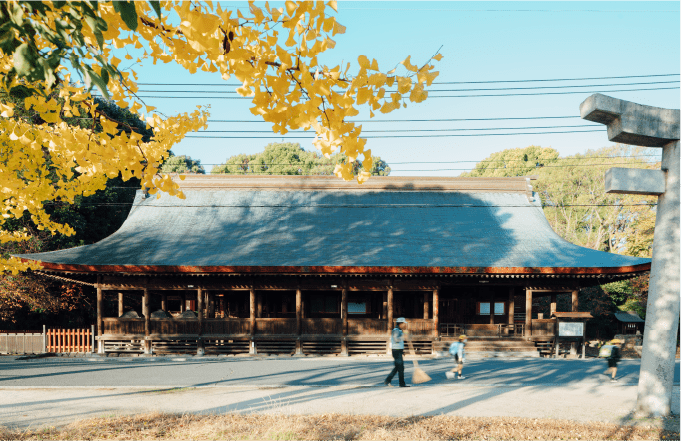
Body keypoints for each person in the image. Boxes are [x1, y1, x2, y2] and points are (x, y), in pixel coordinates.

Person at [384, 317, 409, 387]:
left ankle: (388, 380)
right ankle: (401, 383)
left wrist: (402, 351)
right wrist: (403, 336)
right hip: (396, 351)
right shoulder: (396, 330)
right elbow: (396, 339)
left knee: (398, 367)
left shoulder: (399, 330)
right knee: (400, 368)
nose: (404, 325)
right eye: (403, 323)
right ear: (400, 324)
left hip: (398, 351)